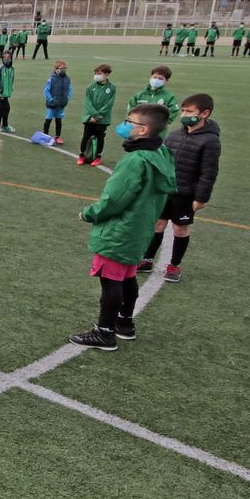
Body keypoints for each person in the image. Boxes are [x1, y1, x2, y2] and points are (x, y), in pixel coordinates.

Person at [70, 103, 177, 351]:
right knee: (127, 276)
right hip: (141, 227)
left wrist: (90, 213)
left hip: (121, 229)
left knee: (111, 281)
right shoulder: (161, 154)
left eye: (130, 122)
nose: (124, 126)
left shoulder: (135, 160)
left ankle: (104, 332)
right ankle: (124, 323)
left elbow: (115, 199)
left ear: (143, 130)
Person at [141, 94, 220, 283]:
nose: (184, 114)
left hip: (185, 194)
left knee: (180, 229)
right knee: (158, 224)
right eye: (183, 110)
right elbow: (162, 161)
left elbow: (209, 172)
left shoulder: (210, 141)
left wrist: (201, 197)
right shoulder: (175, 135)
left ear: (205, 113)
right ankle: (147, 259)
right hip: (165, 191)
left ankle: (174, 265)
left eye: (189, 111)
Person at [78, 64, 116, 166]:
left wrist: (98, 116)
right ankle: (82, 156)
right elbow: (88, 103)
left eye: (99, 73)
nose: (96, 75)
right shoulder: (90, 87)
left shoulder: (111, 88)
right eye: (95, 73)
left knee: (100, 137)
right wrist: (94, 115)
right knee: (86, 136)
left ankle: (98, 157)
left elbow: (109, 104)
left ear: (106, 75)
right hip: (89, 117)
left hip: (102, 119)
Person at [42, 60, 71, 145]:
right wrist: (50, 99)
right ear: (56, 69)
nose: (64, 70)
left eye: (65, 68)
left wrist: (67, 97)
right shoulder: (52, 79)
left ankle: (57, 136)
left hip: (61, 104)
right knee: (48, 120)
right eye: (62, 68)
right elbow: (46, 91)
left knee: (59, 120)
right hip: (52, 104)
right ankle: (45, 136)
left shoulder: (67, 79)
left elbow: (69, 89)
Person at [0, 51, 16, 133]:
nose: (6, 59)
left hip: (7, 93)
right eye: (4, 57)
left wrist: (10, 89)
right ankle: (5, 125)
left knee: (1, 108)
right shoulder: (1, 67)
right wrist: (0, 89)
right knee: (6, 108)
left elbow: (11, 80)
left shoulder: (12, 69)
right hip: (0, 93)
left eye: (8, 57)